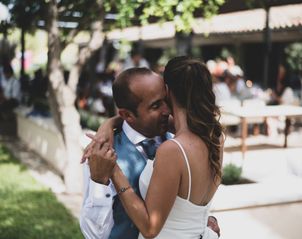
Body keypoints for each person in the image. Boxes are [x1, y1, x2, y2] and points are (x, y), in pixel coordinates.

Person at [85, 57, 224, 238]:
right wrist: (109, 124)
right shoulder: (215, 137)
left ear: (167, 91)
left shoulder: (172, 150)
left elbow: (151, 228)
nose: (163, 110)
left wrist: (114, 171)